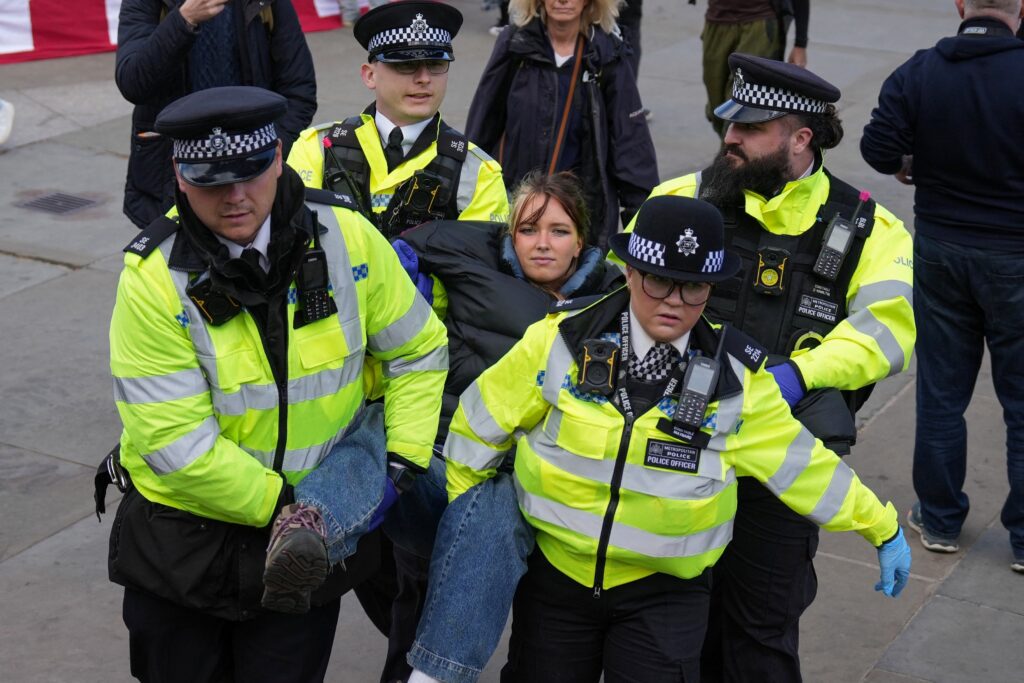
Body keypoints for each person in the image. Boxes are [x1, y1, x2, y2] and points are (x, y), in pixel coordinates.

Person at [435, 195, 910, 683]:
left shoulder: (737, 380)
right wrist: (470, 527)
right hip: (556, 581)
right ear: (631, 272)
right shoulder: (559, 340)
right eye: (660, 281)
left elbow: (801, 465)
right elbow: (478, 426)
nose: (674, 303)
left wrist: (881, 527)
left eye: (693, 288)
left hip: (665, 596)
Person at [106, 86, 447, 682]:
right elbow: (174, 443)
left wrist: (401, 462)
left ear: (281, 155)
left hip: (304, 568)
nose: (236, 197)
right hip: (186, 555)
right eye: (214, 179)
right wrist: (297, 513)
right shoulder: (153, 278)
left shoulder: (346, 236)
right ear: (180, 177)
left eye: (251, 172)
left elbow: (419, 349)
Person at [619, 54, 916, 681]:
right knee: (666, 632)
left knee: (761, 633)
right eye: (729, 123)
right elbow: (621, 304)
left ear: (800, 139)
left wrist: (801, 375)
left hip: (786, 464)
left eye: (751, 129)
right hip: (674, 451)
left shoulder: (870, 229)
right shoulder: (678, 200)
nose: (730, 137)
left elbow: (888, 333)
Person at [861, 0, 1024, 575]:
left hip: (942, 248)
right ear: (1020, 10)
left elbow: (876, 148)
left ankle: (940, 518)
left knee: (941, 393)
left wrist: (914, 160)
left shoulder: (922, 70)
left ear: (961, 5)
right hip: (1015, 255)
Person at [287, 1, 509, 238]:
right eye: (406, 65)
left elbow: (479, 266)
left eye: (436, 64)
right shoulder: (316, 149)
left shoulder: (478, 173)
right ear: (370, 75)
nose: (424, 78)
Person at [465, 0, 658, 252]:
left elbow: (630, 143)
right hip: (516, 210)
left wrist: (644, 224)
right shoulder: (515, 44)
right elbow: (483, 123)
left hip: (579, 215)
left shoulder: (606, 53)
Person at [115, 0, 317, 230]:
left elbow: (299, 91)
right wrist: (184, 20)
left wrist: (265, 153)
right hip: (175, 176)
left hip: (251, 174)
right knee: (175, 259)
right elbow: (132, 82)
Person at [697, 0, 810, 137]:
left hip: (759, 23)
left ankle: (731, 154)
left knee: (740, 105)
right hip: (717, 21)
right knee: (717, 108)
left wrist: (800, 43)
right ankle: (735, 150)